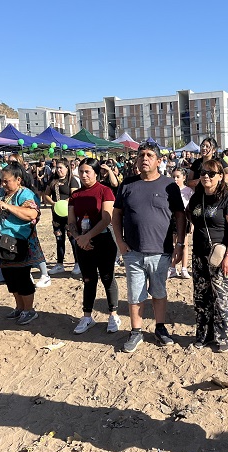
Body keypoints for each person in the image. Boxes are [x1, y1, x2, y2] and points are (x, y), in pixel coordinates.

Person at [112, 143, 186, 352]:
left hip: (161, 251)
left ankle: (160, 328)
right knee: (135, 294)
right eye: (141, 155)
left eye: (150, 155)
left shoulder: (169, 185)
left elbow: (180, 216)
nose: (144, 158)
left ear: (159, 161)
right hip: (132, 252)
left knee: (159, 292)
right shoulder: (127, 184)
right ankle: (136, 331)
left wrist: (180, 244)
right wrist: (120, 242)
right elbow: (116, 215)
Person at [186, 159, 228, 352]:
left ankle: (225, 336)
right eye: (203, 173)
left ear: (220, 176)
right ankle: (205, 335)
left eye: (211, 173)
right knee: (201, 298)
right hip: (199, 255)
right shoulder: (197, 197)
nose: (206, 177)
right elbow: (190, 215)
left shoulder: (227, 198)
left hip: (220, 256)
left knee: (223, 298)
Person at [68, 158, 121, 335]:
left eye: (87, 172)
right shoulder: (75, 195)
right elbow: (71, 221)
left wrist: (87, 236)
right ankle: (87, 316)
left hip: (104, 240)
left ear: (96, 173)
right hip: (82, 243)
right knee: (88, 279)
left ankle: (113, 314)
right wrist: (78, 238)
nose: (84, 175)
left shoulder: (105, 191)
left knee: (107, 278)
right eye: (81, 172)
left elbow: (106, 219)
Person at [0, 162, 43, 326]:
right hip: (3, 242)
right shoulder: (1, 193)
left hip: (20, 242)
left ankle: (29, 310)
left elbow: (31, 214)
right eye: (2, 180)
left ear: (18, 179)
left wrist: (7, 206)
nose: (3, 184)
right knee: (10, 278)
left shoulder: (26, 194)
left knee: (22, 277)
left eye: (6, 181)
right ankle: (20, 307)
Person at [43, 159, 81, 275]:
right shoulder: (53, 181)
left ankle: (78, 263)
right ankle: (59, 264)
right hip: (56, 215)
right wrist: (54, 203)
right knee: (59, 239)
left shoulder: (71, 180)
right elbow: (46, 195)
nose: (58, 170)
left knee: (72, 239)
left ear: (67, 168)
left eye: (61, 167)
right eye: (57, 168)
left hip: (69, 214)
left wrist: (64, 203)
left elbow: (74, 196)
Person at [168, 167, 193, 279]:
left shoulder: (188, 191)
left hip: (185, 219)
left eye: (178, 177)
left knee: (184, 244)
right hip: (172, 218)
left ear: (184, 177)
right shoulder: (169, 190)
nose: (175, 179)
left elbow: (191, 208)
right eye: (173, 177)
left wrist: (192, 223)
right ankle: (172, 268)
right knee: (173, 244)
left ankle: (184, 268)